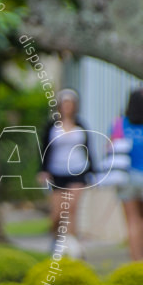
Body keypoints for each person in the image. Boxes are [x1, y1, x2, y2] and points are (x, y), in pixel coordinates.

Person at [37, 89, 92, 258]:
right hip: (57, 172)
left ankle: (73, 245)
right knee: (57, 213)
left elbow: (88, 149)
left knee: (72, 208)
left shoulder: (81, 125)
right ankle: (57, 240)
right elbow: (44, 149)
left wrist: (93, 171)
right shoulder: (51, 126)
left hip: (77, 170)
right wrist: (42, 170)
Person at [111, 90, 143, 261]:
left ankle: (136, 258)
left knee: (132, 220)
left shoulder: (121, 124)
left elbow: (110, 146)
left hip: (127, 176)